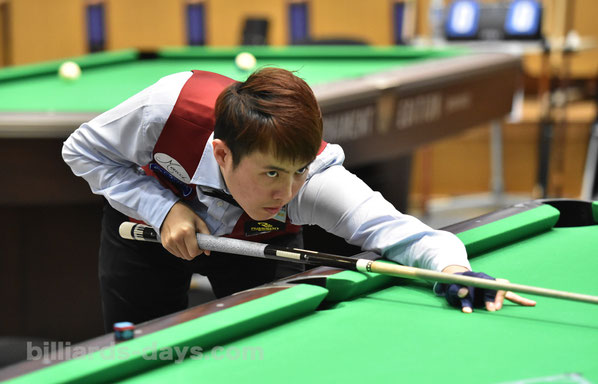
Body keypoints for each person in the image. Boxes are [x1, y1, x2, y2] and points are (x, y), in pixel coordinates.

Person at [62, 67, 535, 331]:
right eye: (271, 172)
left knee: (265, 346)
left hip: (257, 244)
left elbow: (399, 232)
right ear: (223, 154)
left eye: (298, 170)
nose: (287, 191)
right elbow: (81, 151)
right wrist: (162, 208)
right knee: (146, 348)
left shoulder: (312, 184)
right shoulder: (166, 111)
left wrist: (454, 270)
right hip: (144, 232)